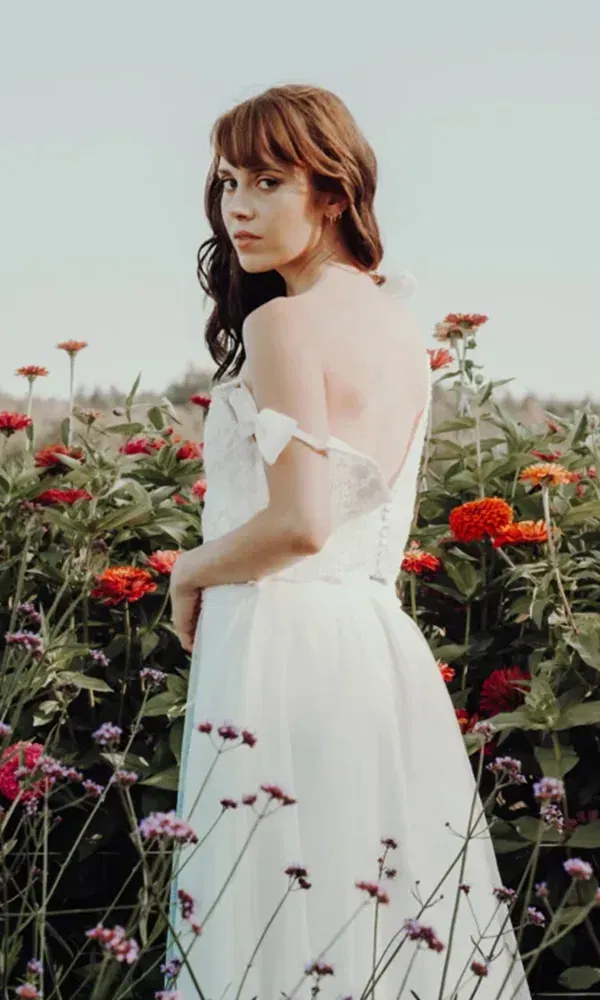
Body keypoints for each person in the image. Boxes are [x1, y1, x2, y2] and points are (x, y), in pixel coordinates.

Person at [166, 84, 532, 1000]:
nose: (239, 206)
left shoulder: (283, 322)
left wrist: (189, 569)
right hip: (371, 647)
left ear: (331, 194)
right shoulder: (397, 328)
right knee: (372, 920)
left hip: (278, 643)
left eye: (269, 182)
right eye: (228, 181)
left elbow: (301, 522)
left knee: (277, 927)